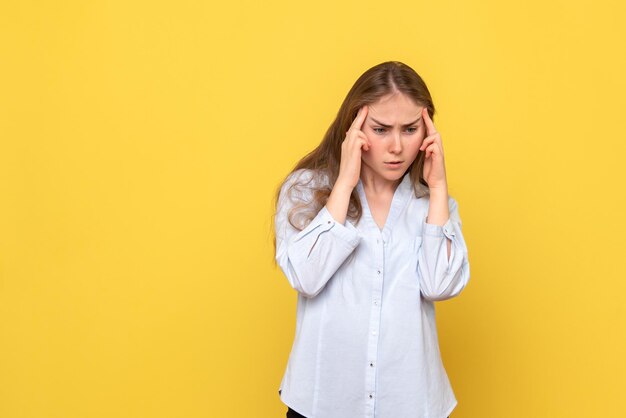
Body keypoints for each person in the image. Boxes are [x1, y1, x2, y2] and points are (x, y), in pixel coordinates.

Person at [272, 61, 470, 418]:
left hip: (409, 404)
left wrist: (438, 187)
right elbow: (306, 276)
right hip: (321, 403)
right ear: (355, 128)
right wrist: (345, 184)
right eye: (381, 129)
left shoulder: (434, 204)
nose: (396, 146)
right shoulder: (305, 190)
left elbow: (440, 284)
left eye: (410, 129)